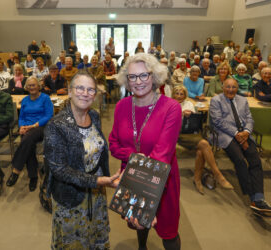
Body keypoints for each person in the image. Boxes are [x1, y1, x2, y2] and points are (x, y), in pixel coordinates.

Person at [109, 53, 182, 250]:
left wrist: (143, 197)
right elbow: (113, 144)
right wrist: (133, 157)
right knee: (138, 223)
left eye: (144, 75)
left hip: (161, 179)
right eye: (132, 77)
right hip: (131, 176)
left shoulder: (171, 107)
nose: (138, 82)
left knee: (169, 231)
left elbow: (163, 154)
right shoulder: (121, 106)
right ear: (126, 80)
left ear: (155, 76)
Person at [45, 71, 119, 249]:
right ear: (70, 91)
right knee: (75, 242)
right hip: (70, 196)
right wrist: (98, 181)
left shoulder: (93, 116)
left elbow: (98, 151)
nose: (85, 93)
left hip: (96, 193)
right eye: (80, 88)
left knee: (95, 235)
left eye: (90, 90)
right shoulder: (56, 126)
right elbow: (60, 170)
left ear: (95, 95)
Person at [210, 78, 271, 218]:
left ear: (237, 88)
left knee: (255, 161)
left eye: (234, 87)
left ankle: (259, 198)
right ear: (223, 87)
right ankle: (253, 198)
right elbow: (218, 121)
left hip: (245, 135)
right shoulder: (216, 100)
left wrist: (246, 132)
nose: (231, 90)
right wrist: (237, 134)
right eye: (228, 87)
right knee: (240, 161)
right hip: (226, 135)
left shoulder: (243, 100)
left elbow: (249, 119)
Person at [172, 85, 233, 194]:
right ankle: (217, 174)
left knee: (201, 152)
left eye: (182, 94)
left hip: (192, 133)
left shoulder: (189, 103)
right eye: (177, 93)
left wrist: (189, 114)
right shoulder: (170, 104)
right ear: (173, 94)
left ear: (185, 95)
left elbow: (194, 121)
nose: (179, 96)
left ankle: (197, 179)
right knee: (204, 144)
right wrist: (181, 114)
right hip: (179, 134)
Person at [6, 76, 53, 191]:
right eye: (29, 86)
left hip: (41, 127)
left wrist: (33, 125)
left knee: (26, 139)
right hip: (26, 128)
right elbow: (21, 116)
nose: (32, 87)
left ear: (39, 86)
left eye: (34, 85)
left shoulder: (45, 98)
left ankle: (16, 170)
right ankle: (33, 177)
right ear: (26, 87)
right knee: (28, 143)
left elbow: (48, 116)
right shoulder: (25, 100)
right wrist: (22, 126)